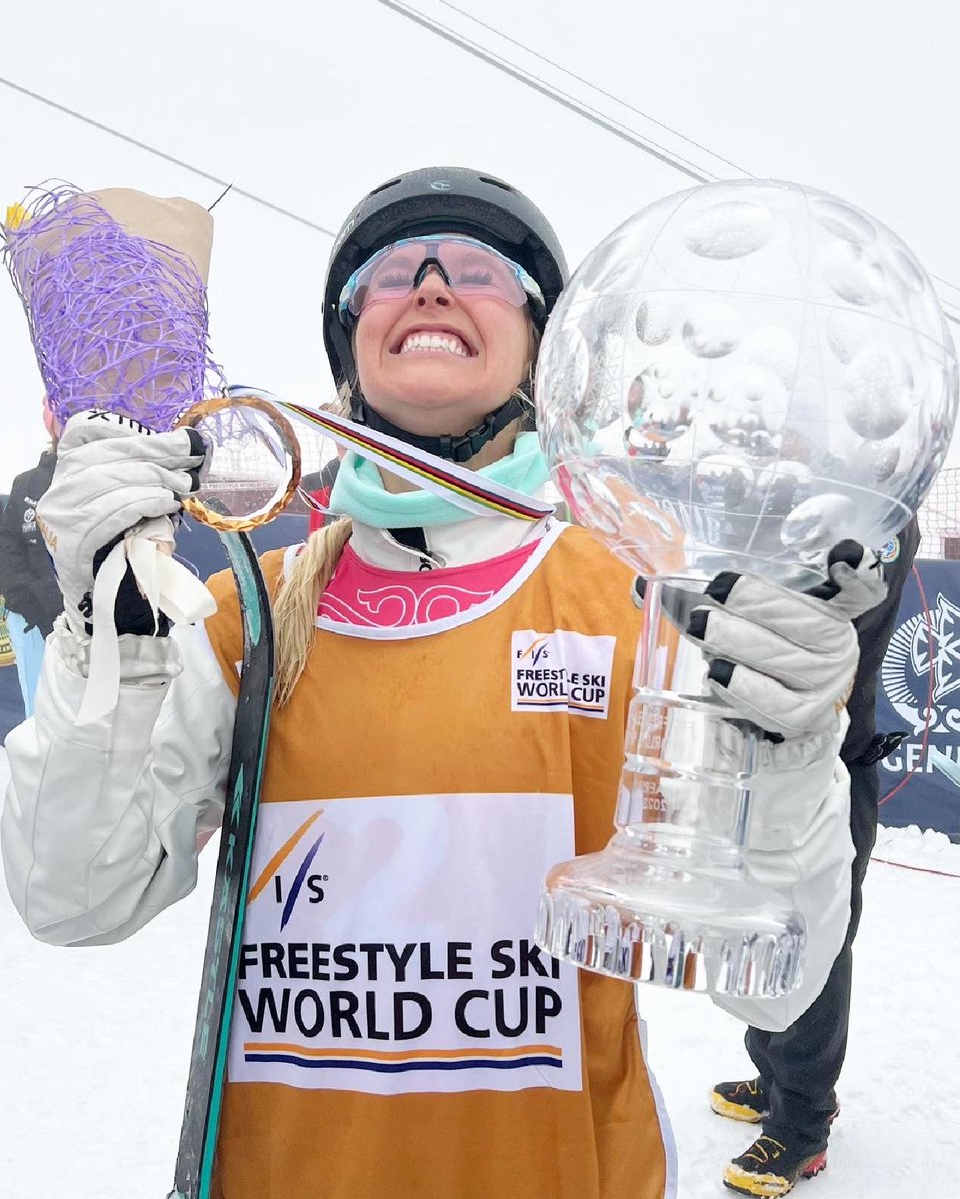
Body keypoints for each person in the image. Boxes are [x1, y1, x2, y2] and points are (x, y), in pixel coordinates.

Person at [1, 167, 883, 1199]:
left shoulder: (636, 601)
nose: (427, 286)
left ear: (541, 354)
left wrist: (787, 755)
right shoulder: (252, 608)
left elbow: (780, 996)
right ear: (349, 344)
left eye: (478, 270)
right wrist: (109, 634)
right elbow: (73, 899)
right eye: (389, 275)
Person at [710, 519, 919, 1198]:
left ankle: (804, 1118)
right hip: (753, 759)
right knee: (758, 923)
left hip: (825, 764)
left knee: (817, 939)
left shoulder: (874, 505)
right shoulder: (780, 497)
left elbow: (842, 606)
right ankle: (772, 1071)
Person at [0, 396, 63, 717]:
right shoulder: (27, 483)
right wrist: (36, 605)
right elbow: (8, 549)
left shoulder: (109, 483)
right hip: (33, 622)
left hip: (95, 627)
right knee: (41, 722)